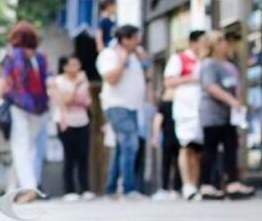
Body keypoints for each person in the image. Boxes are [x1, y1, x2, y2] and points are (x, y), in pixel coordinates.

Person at [0, 21, 49, 202]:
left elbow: (4, 82)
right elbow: (49, 82)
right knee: (26, 148)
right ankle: (12, 189)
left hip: (20, 106)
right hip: (40, 109)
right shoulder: (41, 57)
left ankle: (30, 188)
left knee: (20, 148)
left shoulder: (13, 56)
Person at [198, 30, 255, 200]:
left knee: (231, 147)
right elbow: (210, 86)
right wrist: (231, 100)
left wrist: (236, 103)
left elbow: (234, 86)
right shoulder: (209, 64)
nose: (225, 44)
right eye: (220, 41)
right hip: (212, 113)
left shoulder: (228, 65)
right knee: (210, 149)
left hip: (228, 114)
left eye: (224, 41)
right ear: (212, 46)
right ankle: (206, 185)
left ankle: (233, 183)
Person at [96, 25, 146, 198]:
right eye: (135, 38)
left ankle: (111, 188)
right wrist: (123, 60)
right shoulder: (110, 54)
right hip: (117, 106)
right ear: (125, 39)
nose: (138, 42)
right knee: (130, 145)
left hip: (132, 107)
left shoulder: (134, 56)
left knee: (121, 147)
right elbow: (111, 79)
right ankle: (128, 187)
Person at [164, 30, 208, 200]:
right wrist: (191, 78)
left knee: (198, 150)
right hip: (185, 109)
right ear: (193, 42)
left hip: (202, 109)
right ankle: (187, 184)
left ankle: (195, 185)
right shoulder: (179, 59)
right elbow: (168, 81)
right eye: (202, 41)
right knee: (186, 146)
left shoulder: (205, 60)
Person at [49, 55, 93, 200]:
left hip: (82, 120)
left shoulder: (83, 80)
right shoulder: (58, 81)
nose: (76, 67)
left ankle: (85, 188)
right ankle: (69, 190)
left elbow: (87, 101)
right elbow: (66, 101)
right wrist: (76, 86)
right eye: (73, 65)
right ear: (65, 67)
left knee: (83, 156)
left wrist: (79, 94)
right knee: (69, 156)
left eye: (77, 64)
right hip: (65, 122)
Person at [152, 72, 182, 200]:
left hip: (172, 136)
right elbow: (158, 119)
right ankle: (173, 188)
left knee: (168, 163)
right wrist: (156, 135)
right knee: (174, 163)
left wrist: (155, 135)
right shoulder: (174, 100)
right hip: (176, 135)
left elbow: (158, 119)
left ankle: (167, 188)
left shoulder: (166, 101)